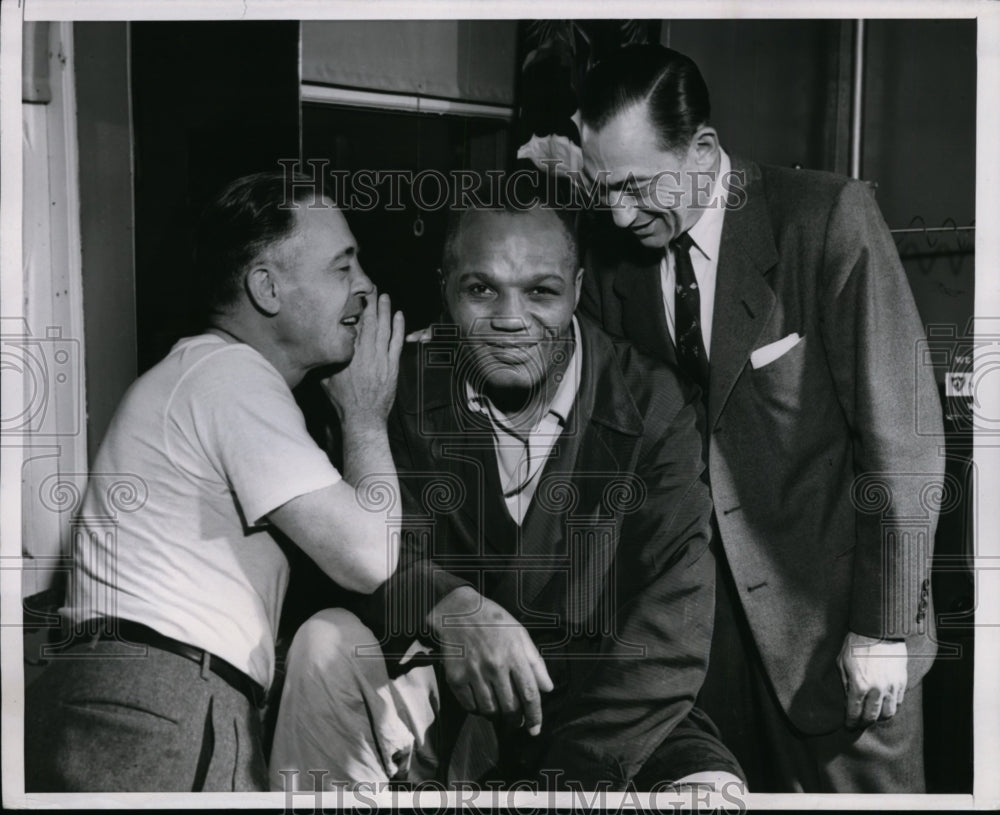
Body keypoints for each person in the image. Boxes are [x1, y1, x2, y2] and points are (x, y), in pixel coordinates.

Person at [268, 197, 744, 792]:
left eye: (540, 292)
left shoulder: (654, 402)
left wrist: (551, 788)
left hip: (609, 717)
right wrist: (446, 603)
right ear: (445, 290)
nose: (511, 320)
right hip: (448, 697)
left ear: (577, 288)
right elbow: (349, 560)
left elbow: (670, 629)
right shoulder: (395, 388)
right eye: (481, 291)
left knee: (713, 796)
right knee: (325, 642)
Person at [574, 44, 946, 792]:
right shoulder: (615, 256)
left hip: (839, 639)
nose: (617, 211)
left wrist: (883, 626)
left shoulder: (825, 219)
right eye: (601, 187)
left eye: (636, 186)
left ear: (704, 149)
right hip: (705, 655)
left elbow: (903, 439)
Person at [24, 171, 406, 792]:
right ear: (267, 287)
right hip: (160, 705)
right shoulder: (230, 376)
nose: (365, 286)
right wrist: (365, 415)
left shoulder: (201, 375)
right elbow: (368, 557)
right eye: (342, 267)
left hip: (133, 699)